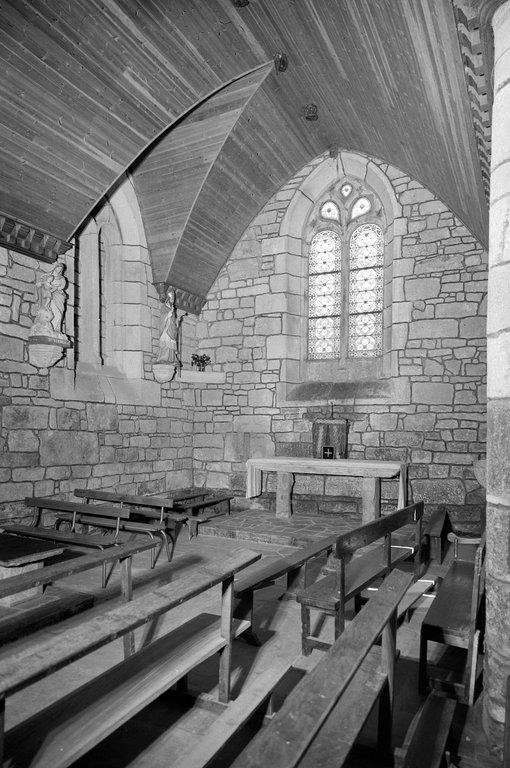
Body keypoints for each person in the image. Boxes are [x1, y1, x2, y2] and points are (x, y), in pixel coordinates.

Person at [156, 289, 178, 363]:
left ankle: (171, 359)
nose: (173, 301)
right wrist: (168, 315)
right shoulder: (164, 307)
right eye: (171, 299)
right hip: (166, 329)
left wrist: (176, 322)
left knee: (171, 344)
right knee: (166, 343)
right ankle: (163, 358)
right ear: (168, 299)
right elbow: (163, 318)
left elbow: (173, 320)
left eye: (173, 299)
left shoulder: (173, 309)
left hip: (172, 329)